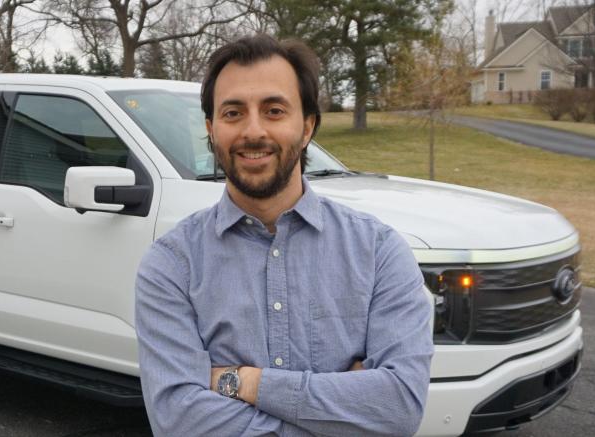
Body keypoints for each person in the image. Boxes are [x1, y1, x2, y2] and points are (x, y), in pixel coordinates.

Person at [135, 34, 433, 436]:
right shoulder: (172, 265)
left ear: (307, 125)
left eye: (274, 110)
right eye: (233, 113)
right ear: (211, 128)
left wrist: (242, 382)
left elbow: (398, 408)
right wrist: (346, 408)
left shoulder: (379, 252)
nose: (253, 131)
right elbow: (180, 421)